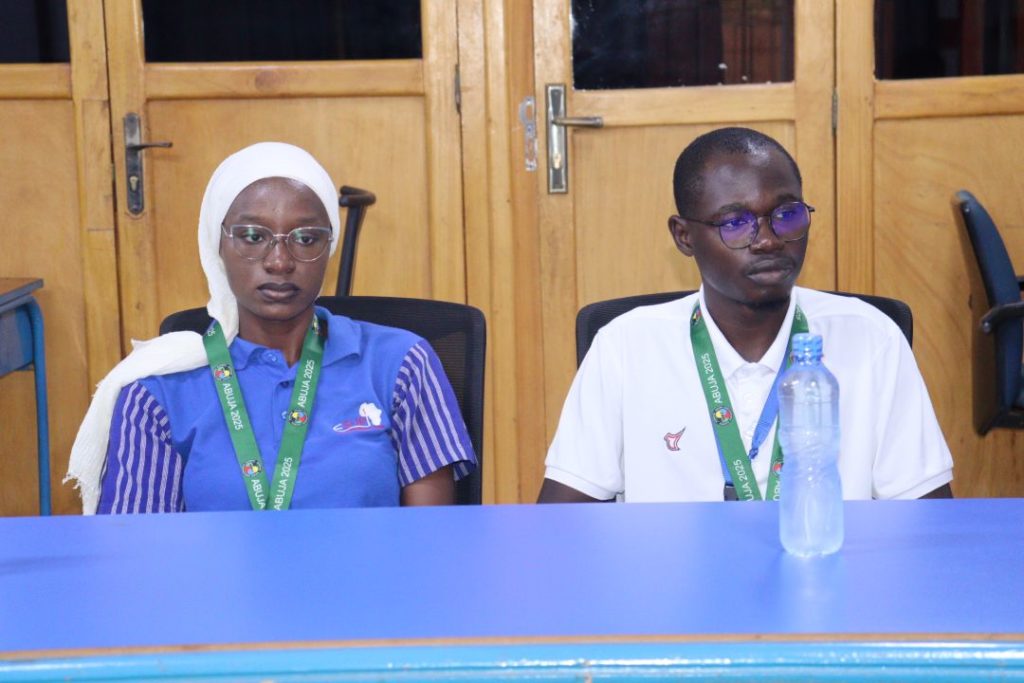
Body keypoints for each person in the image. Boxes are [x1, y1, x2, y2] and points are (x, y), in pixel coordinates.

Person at [538, 127, 953, 503]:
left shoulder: (872, 339)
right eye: (736, 223)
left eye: (786, 215)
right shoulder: (625, 348)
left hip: (824, 563)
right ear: (684, 236)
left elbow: (931, 523)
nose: (768, 240)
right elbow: (560, 529)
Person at [66, 142, 475, 513]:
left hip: (367, 576)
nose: (279, 261)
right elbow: (141, 555)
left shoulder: (401, 364)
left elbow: (429, 543)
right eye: (252, 236)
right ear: (217, 245)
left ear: (329, 247)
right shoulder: (157, 391)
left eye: (306, 239)